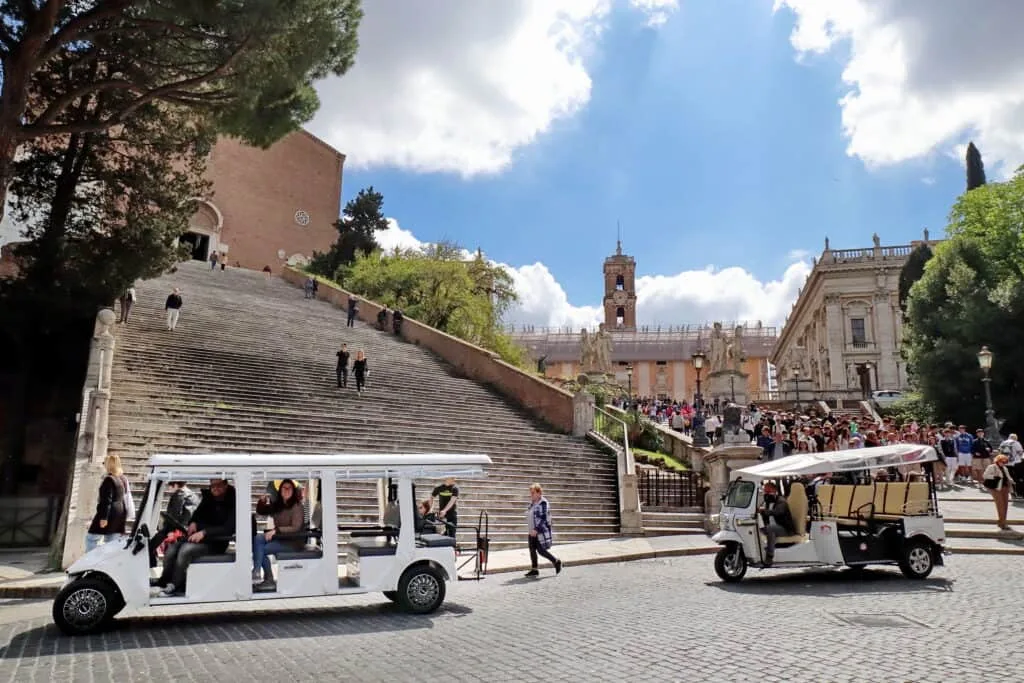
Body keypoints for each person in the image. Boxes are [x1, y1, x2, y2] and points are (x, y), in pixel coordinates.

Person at [154, 478, 236, 597]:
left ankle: (176, 585)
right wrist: (193, 522)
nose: (215, 488)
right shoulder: (208, 498)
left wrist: (204, 532)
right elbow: (197, 514)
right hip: (200, 538)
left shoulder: (233, 501)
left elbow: (228, 528)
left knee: (186, 550)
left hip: (216, 542)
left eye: (218, 485)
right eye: (212, 486)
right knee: (172, 548)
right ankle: (165, 580)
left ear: (226, 485)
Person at [253, 479, 305, 589]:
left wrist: (276, 530)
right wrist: (261, 502)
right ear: (280, 490)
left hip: (293, 542)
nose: (286, 490)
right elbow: (262, 512)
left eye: (289, 488)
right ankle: (257, 571)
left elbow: (295, 527)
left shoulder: (297, 506)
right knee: (257, 539)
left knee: (261, 549)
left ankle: (268, 579)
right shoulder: (278, 504)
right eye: (284, 488)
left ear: (293, 491)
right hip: (280, 538)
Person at [148, 482, 199, 568]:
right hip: (187, 531)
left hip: (176, 531)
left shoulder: (179, 495)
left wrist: (170, 531)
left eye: (170, 486)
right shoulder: (193, 495)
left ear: (175, 485)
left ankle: (152, 569)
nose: (169, 489)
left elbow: (174, 516)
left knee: (150, 548)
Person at [85, 454, 130, 553]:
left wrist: (104, 517)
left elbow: (106, 500)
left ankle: (91, 562)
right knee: (111, 542)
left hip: (109, 513)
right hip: (120, 512)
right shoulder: (122, 479)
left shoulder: (109, 480)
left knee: (91, 539)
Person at [525, 483, 561, 577]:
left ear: (539, 493)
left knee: (541, 550)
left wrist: (536, 529)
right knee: (532, 550)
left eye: (533, 493)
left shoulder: (543, 503)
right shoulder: (532, 503)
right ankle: (534, 569)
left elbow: (544, 518)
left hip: (539, 531)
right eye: (531, 493)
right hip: (531, 531)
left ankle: (556, 561)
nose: (531, 495)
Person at [758, 482, 795, 567]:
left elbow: (778, 512)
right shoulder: (768, 501)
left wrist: (764, 511)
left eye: (768, 491)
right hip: (775, 528)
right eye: (765, 491)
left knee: (770, 528)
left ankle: (769, 556)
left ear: (774, 491)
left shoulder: (781, 501)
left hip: (786, 529)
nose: (766, 494)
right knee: (761, 528)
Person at [983, 454, 1015, 530]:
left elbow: (1008, 476)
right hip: (996, 488)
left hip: (1005, 488)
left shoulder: (1005, 468)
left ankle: (1002, 521)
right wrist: (995, 476)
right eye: (1002, 461)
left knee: (1005, 505)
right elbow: (985, 476)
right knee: (1000, 505)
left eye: (1005, 462)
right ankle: (1002, 523)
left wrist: (1011, 480)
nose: (1003, 463)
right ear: (998, 460)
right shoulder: (992, 467)